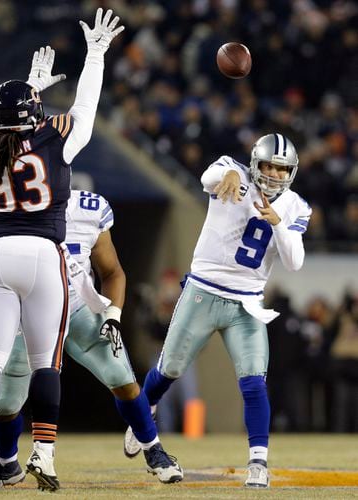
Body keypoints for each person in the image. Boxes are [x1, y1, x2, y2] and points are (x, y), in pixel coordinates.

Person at [0, 8, 125, 491]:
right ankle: (44, 454)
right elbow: (87, 111)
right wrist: (95, 56)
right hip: (42, 253)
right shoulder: (54, 139)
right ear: (34, 113)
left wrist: (19, 95)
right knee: (44, 363)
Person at [0, 190, 183, 489]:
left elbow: (113, 271)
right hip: (28, 314)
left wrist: (113, 314)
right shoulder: (12, 208)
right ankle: (5, 464)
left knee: (121, 376)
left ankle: (154, 449)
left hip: (77, 308)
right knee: (7, 403)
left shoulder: (88, 209)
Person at [124, 134, 312, 488]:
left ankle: (258, 463)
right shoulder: (232, 170)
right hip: (204, 292)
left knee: (255, 381)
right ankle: (142, 418)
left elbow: (295, 261)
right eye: (268, 165)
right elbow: (208, 177)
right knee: (168, 371)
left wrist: (278, 224)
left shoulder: (294, 206)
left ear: (291, 172)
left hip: (247, 303)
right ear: (256, 163)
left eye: (281, 168)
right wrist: (228, 178)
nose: (273, 174)